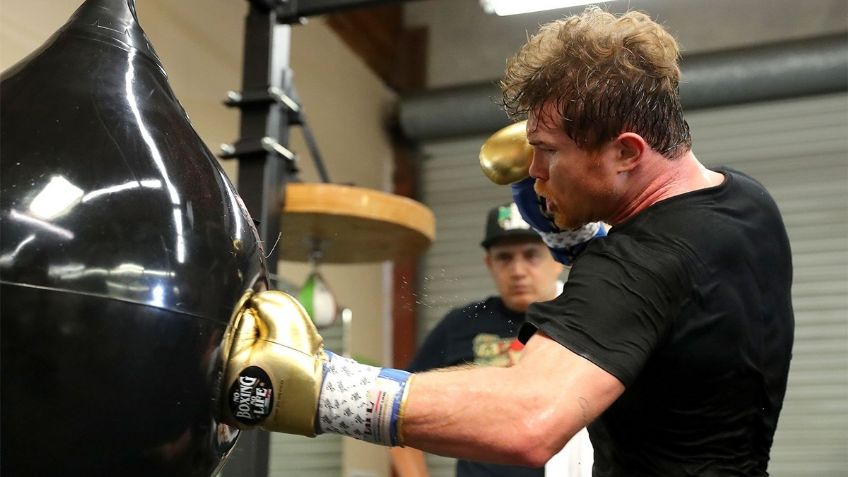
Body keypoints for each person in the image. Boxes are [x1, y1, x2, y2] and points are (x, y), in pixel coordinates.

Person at [222, 7, 794, 476]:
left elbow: (527, 419)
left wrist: (320, 390)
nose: (535, 171)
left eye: (548, 151)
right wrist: (570, 227)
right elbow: (669, 309)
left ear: (626, 152)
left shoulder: (642, 263)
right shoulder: (744, 202)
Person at [390, 201, 595, 477]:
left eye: (531, 255)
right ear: (489, 263)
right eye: (505, 258)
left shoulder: (589, 320)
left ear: (557, 259)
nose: (518, 271)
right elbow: (396, 409)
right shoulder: (461, 324)